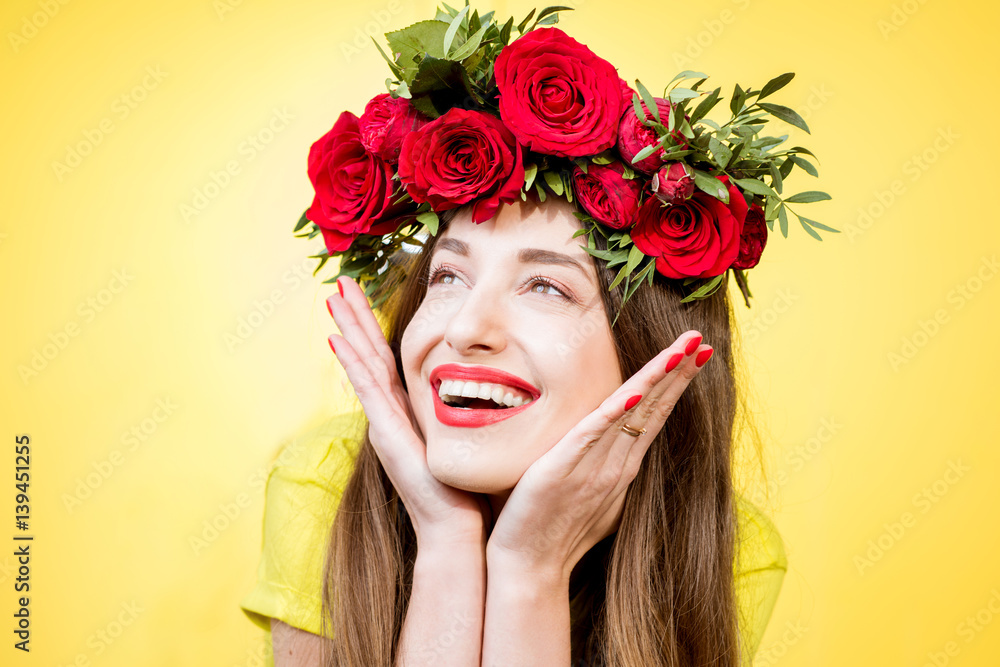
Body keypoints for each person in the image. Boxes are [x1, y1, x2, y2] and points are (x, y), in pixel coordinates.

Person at [242, 5, 831, 664]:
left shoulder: (729, 551)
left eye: (546, 286)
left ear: (655, 356)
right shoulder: (322, 486)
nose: (466, 328)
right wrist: (445, 542)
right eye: (448, 276)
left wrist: (531, 572)